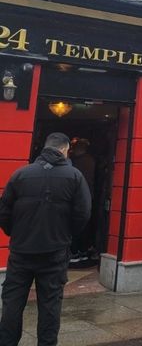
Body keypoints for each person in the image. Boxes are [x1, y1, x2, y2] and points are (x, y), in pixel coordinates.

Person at [0, 132, 91, 346]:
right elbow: (83, 213)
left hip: (22, 251)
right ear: (64, 149)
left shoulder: (20, 174)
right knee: (50, 306)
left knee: (12, 303)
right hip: (55, 251)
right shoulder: (75, 176)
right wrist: (67, 235)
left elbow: (4, 211)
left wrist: (16, 232)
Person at [69, 138, 96, 263]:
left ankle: (75, 251)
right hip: (88, 195)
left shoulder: (77, 162)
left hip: (77, 197)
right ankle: (83, 250)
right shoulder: (90, 160)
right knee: (85, 223)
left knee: (77, 223)